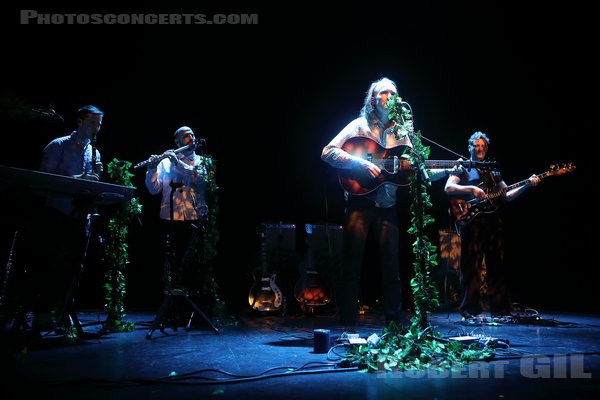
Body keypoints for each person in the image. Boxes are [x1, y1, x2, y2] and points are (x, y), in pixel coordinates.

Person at [321, 77, 447, 328]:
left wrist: (450, 171)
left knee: (391, 267)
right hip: (359, 204)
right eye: (384, 92)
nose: (390, 96)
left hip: (387, 207)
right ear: (373, 99)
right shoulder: (359, 126)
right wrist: (362, 163)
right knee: (352, 266)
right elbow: (327, 152)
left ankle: (393, 325)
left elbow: (417, 170)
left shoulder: (403, 132)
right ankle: (347, 324)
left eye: (394, 92)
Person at [444, 131, 540, 318]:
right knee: (471, 266)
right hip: (472, 220)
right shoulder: (463, 166)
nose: (479, 149)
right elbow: (448, 188)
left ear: (487, 148)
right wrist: (471, 188)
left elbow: (506, 195)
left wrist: (527, 184)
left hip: (492, 220)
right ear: (469, 147)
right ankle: (470, 310)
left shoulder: (493, 169)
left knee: (496, 264)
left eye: (483, 146)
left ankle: (500, 310)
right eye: (476, 146)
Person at [30, 105, 104, 331]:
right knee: (49, 264)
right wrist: (77, 179)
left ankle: (64, 314)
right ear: (80, 122)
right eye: (93, 123)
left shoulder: (95, 152)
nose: (96, 128)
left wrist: (95, 179)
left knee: (74, 268)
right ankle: (41, 314)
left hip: (81, 217)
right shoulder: (58, 145)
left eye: (99, 124)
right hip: (57, 213)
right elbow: (42, 181)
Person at [144, 126, 209, 312]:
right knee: (170, 267)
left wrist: (178, 164)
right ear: (177, 142)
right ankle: (170, 309)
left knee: (192, 266)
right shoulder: (165, 162)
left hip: (195, 218)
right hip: (169, 219)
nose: (191, 138)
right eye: (186, 136)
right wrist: (151, 169)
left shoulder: (202, 161)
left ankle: (192, 310)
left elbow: (202, 181)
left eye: (193, 134)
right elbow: (153, 189)